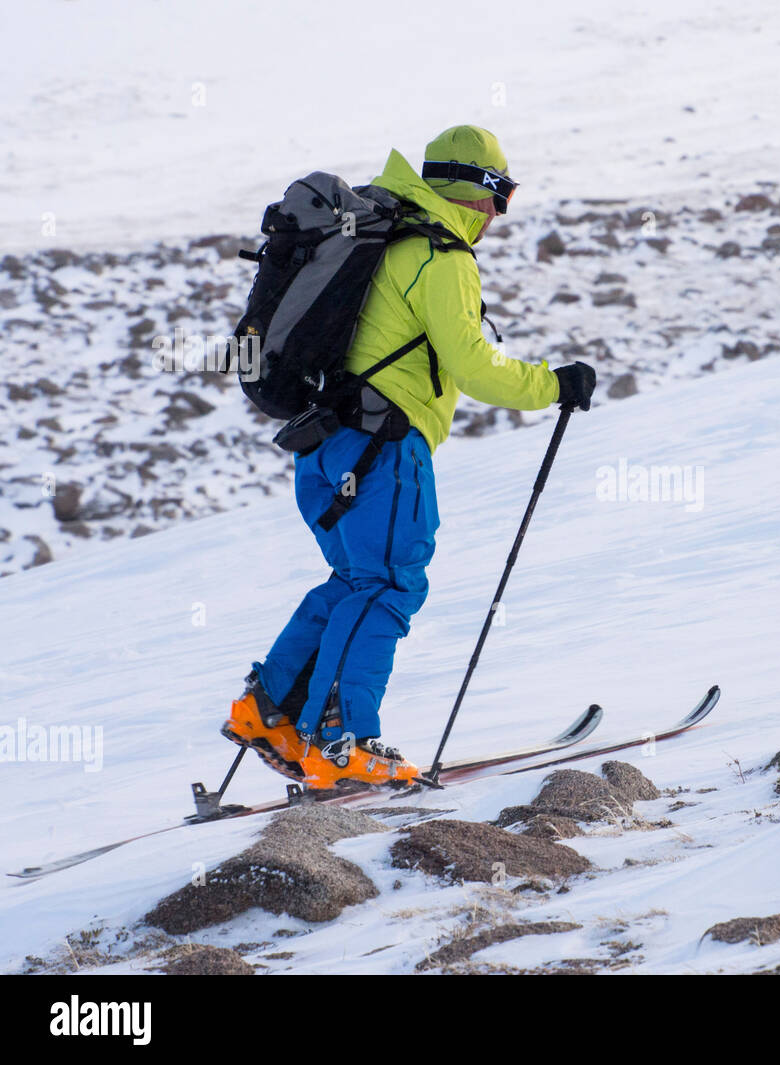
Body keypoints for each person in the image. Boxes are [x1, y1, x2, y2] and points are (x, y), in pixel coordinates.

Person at [221, 125, 597, 789]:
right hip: (383, 451)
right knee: (390, 584)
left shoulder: (378, 234)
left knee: (354, 584)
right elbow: (476, 369)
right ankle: (340, 740)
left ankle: (270, 710)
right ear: (476, 191)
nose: (498, 215)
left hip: (325, 446)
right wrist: (556, 383)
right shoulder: (439, 254)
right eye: (500, 195)